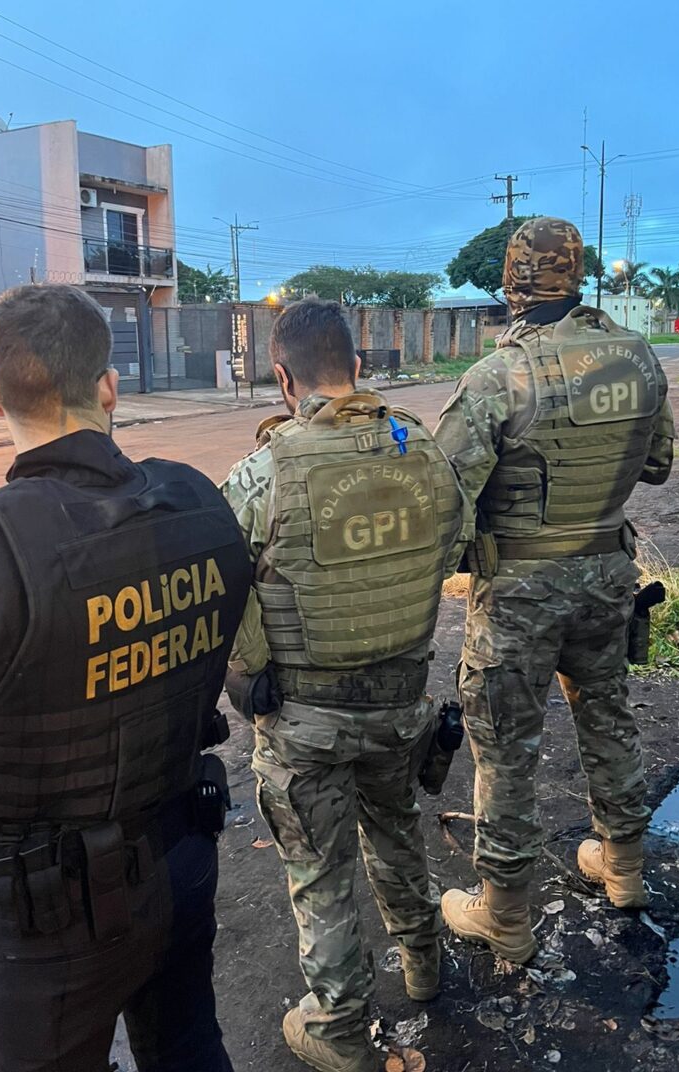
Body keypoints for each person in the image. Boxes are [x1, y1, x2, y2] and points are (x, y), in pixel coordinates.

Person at [0, 284, 251, 1072]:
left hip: (52, 919)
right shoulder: (198, 503)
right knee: (187, 1044)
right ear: (109, 387)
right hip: (184, 851)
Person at [221, 298, 468, 1072]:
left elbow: (227, 589)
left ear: (283, 378)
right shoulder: (422, 450)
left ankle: (340, 1030)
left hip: (305, 719)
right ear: (359, 367)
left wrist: (246, 670)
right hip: (401, 703)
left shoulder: (264, 472)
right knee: (397, 835)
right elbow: (452, 548)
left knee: (319, 874)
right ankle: (424, 965)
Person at [436, 217, 675, 964]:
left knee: (505, 750)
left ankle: (505, 913)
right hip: (607, 573)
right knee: (606, 714)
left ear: (512, 283)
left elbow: (447, 503)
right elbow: (659, 464)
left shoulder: (496, 377)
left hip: (520, 594)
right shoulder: (635, 357)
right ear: (576, 275)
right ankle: (623, 867)